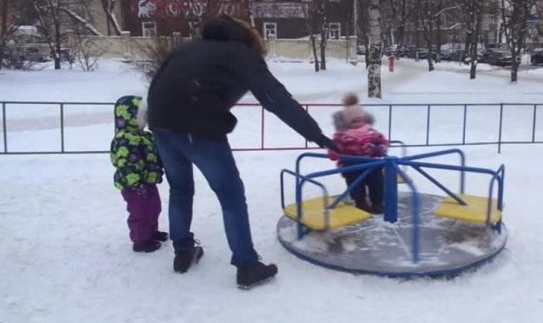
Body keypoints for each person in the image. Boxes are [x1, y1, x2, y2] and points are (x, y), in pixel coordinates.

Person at [146, 16, 338, 289]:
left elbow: (158, 84)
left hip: (161, 125)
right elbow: (276, 99)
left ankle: (183, 249)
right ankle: (247, 265)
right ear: (249, 39)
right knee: (230, 195)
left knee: (180, 189)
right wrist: (317, 136)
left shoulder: (186, 48)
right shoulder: (241, 54)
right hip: (198, 127)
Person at [110, 95, 167, 253]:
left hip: (147, 182)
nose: (146, 119)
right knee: (140, 212)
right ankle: (140, 240)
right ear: (131, 117)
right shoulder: (125, 139)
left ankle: (152, 232)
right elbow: (126, 163)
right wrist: (135, 184)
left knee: (153, 208)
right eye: (143, 116)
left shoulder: (143, 136)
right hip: (134, 185)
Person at [329, 93, 389, 214]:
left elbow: (381, 140)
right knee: (356, 184)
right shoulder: (342, 136)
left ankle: (377, 202)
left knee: (377, 181)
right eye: (354, 122)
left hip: (371, 164)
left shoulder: (370, 132)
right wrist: (334, 153)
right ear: (347, 122)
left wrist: (381, 147)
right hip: (352, 166)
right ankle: (360, 202)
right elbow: (334, 147)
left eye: (360, 120)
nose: (358, 124)